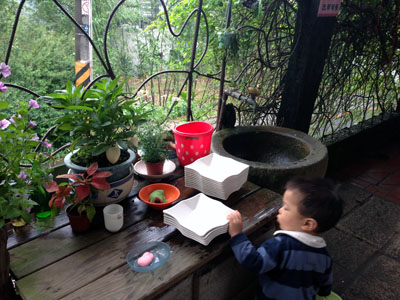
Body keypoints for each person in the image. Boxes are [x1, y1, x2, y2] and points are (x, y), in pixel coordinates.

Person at [227, 177, 343, 300]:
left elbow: (254, 262)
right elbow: (325, 284)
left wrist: (237, 235)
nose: (280, 210)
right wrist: (324, 292)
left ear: (308, 224)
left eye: (286, 208)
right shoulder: (324, 256)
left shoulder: (279, 246)